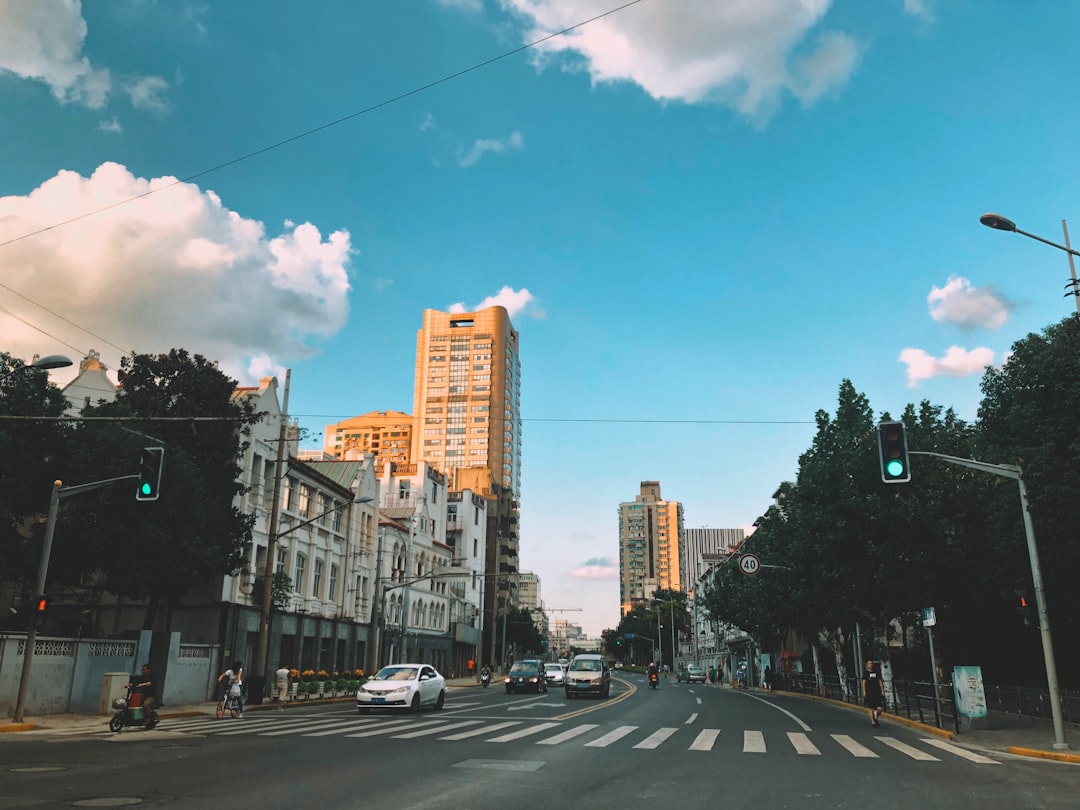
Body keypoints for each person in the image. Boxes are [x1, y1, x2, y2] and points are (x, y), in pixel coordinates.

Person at [862, 659, 885, 727]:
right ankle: (873, 721)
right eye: (869, 663)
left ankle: (876, 716)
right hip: (869, 691)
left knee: (879, 708)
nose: (870, 665)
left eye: (871, 663)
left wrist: (882, 690)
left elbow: (880, 681)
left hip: (877, 691)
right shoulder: (865, 673)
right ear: (867, 665)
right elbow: (864, 682)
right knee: (871, 707)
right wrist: (864, 691)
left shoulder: (876, 672)